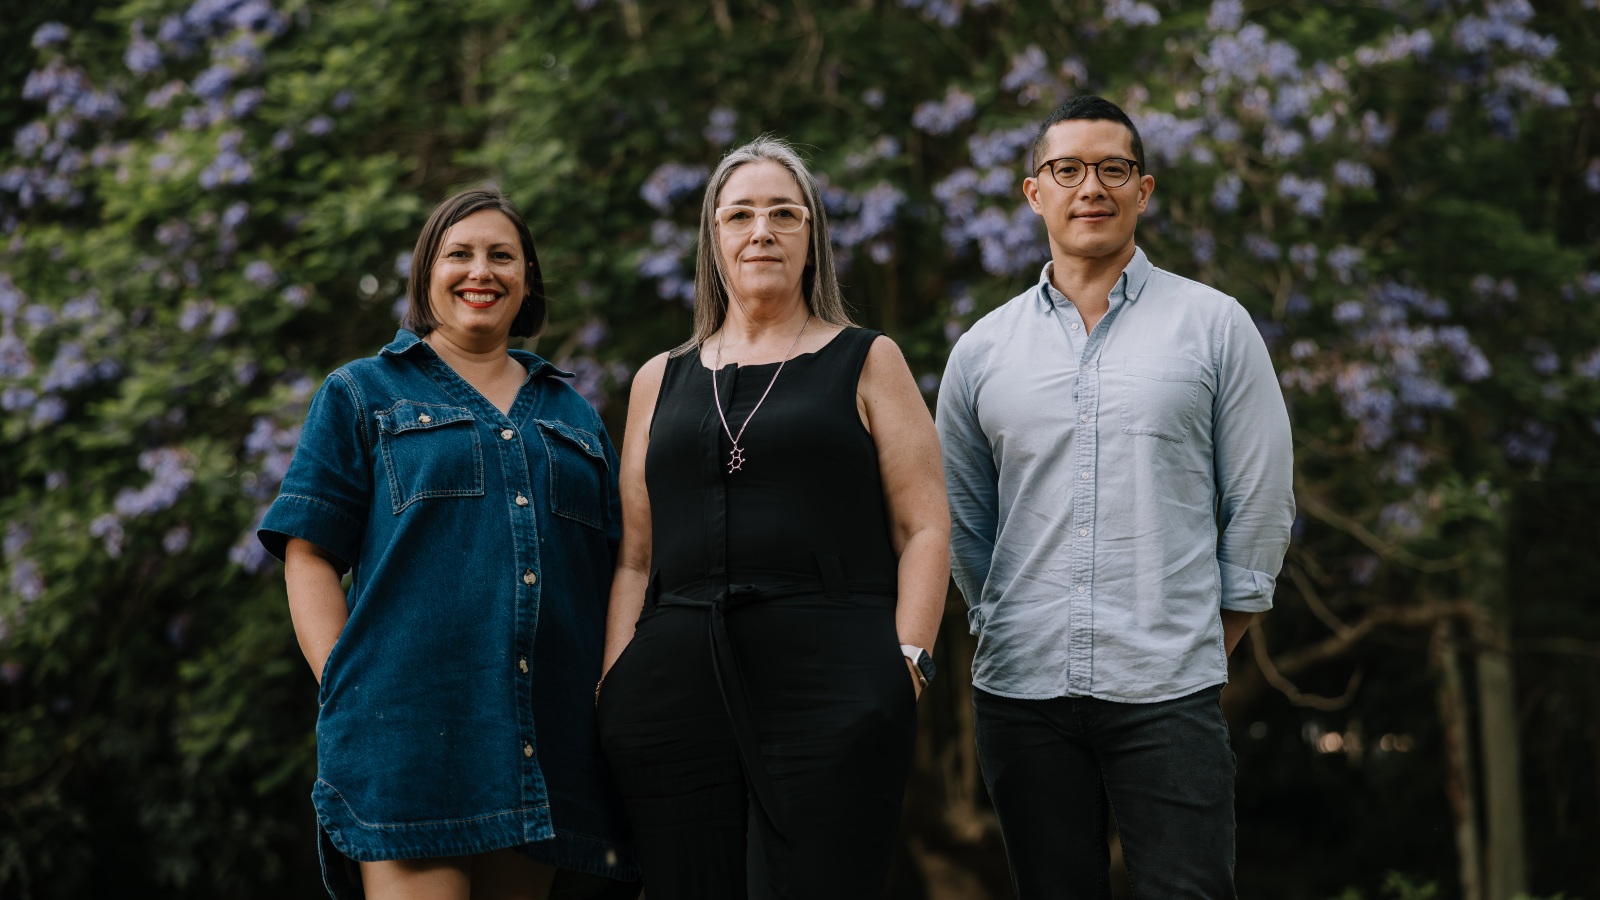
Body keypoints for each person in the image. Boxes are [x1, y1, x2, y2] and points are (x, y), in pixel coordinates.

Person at [937, 95, 1295, 898]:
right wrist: (999, 619)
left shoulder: (1215, 326)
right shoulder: (981, 350)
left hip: (1168, 688)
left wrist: (1210, 638)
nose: (1089, 187)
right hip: (1021, 693)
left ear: (1144, 189)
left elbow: (1263, 496)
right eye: (1067, 170)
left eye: (1112, 169)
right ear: (1035, 193)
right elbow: (963, 518)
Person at [595, 136, 949, 899]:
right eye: (741, 215)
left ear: (811, 239)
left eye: (784, 214)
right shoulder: (662, 378)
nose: (763, 231)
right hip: (673, 686)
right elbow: (634, 553)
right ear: (713, 240)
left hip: (833, 680)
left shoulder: (866, 358)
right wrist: (614, 685)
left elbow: (924, 526)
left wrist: (908, 664)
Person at [258, 188, 636, 900]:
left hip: (544, 743)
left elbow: (621, 567)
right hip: (405, 739)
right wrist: (345, 683)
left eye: (502, 256)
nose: (480, 271)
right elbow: (308, 554)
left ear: (527, 280)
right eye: (458, 254)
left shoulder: (573, 413)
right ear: (426, 274)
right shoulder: (361, 393)